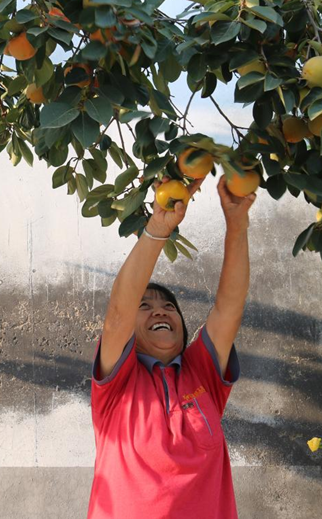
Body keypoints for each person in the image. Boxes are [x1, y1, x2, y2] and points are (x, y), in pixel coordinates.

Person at [88, 173, 256, 519]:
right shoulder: (117, 386)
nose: (160, 310)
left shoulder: (201, 375)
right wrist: (157, 229)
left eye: (168, 307)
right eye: (145, 306)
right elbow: (118, 315)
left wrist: (237, 225)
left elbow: (229, 307)